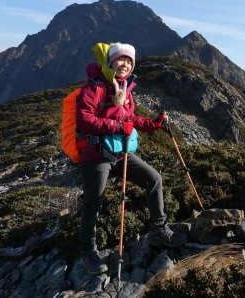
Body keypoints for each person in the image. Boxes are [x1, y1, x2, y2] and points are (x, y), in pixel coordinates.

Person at [76, 42, 186, 275]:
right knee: (93, 203)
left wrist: (155, 123)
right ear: (110, 62)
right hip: (96, 156)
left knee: (154, 179)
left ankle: (158, 230)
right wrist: (117, 126)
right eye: (120, 60)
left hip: (121, 151)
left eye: (129, 61)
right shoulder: (93, 88)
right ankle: (88, 251)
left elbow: (132, 118)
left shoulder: (126, 89)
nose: (124, 64)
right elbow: (84, 120)